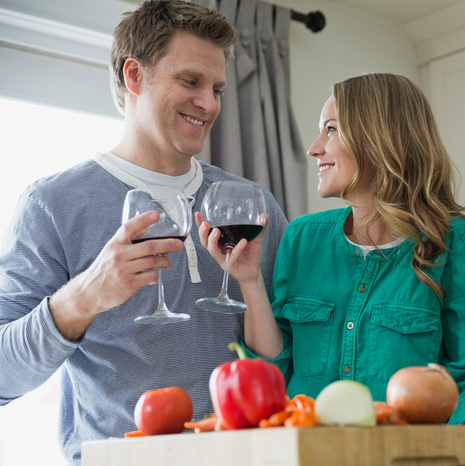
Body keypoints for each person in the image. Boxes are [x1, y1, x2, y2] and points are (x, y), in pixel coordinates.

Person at [0, 1, 287, 464]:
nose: (209, 104)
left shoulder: (250, 204)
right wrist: (83, 298)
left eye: (216, 88)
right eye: (190, 81)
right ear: (134, 76)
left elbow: (290, 349)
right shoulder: (52, 206)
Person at [199, 72, 465, 425]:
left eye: (330, 129)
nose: (314, 148)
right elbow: (276, 370)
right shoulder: (302, 238)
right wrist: (249, 281)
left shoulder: (459, 243)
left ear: (379, 138)